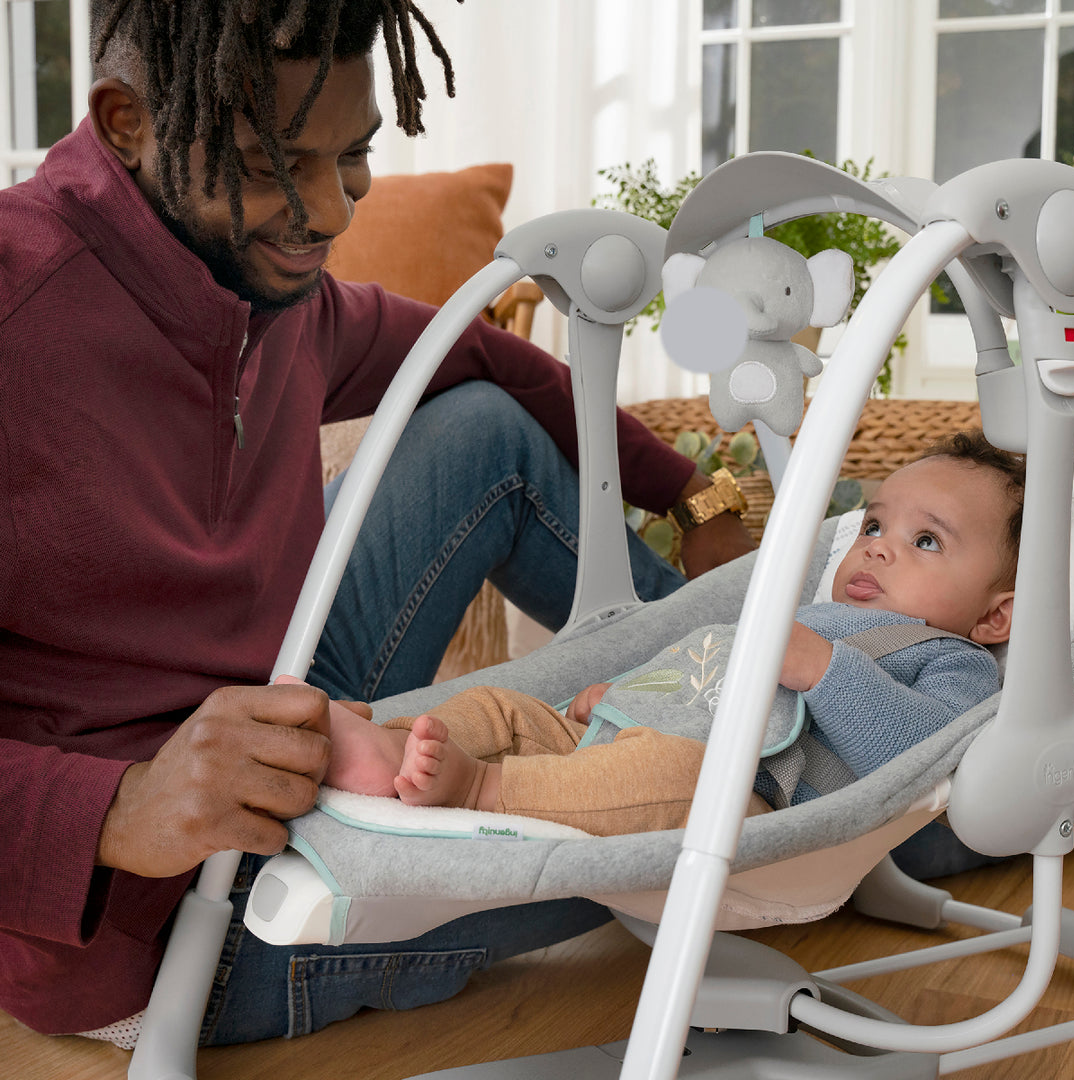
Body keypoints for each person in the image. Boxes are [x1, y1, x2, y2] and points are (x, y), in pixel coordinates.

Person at [0, 0, 756, 1047]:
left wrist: (692, 492)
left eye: (351, 156)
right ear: (129, 122)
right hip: (163, 920)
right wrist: (118, 807)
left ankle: (757, 676)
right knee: (732, 839)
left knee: (479, 426)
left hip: (292, 718)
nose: (331, 209)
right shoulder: (18, 310)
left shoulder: (266, 292)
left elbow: (481, 352)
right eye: (274, 164)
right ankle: (858, 768)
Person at [324, 432, 1023, 836]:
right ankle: (397, 742)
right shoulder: (810, 614)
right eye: (873, 525)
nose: (876, 547)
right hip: (630, 729)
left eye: (926, 540)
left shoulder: (955, 662)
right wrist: (627, 692)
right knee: (503, 707)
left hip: (744, 791)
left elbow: (921, 759)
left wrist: (824, 671)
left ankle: (476, 790)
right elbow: (702, 662)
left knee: (673, 781)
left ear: (996, 616)